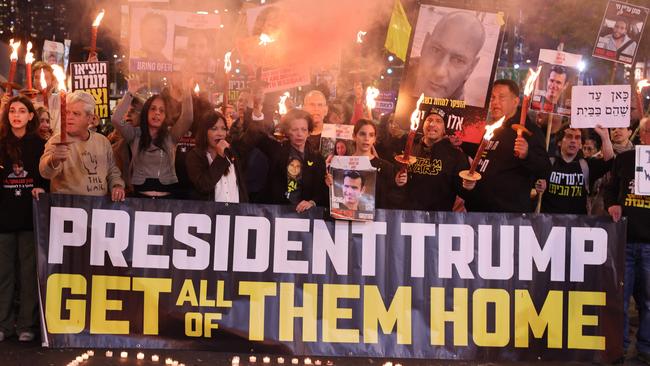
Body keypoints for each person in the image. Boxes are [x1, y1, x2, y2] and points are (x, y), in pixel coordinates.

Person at [462, 79, 551, 213]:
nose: (495, 102)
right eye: (492, 97)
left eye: (501, 97)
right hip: (478, 210)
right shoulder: (490, 128)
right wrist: (461, 143)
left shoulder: (529, 131)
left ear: (515, 101)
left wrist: (527, 155)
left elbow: (545, 168)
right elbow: (480, 153)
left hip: (508, 214)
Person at [0, 96, 47, 342]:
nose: (16, 115)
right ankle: (3, 324)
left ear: (31, 116)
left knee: (28, 273)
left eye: (22, 111)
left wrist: (42, 188)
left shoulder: (40, 145)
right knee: (3, 274)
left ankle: (27, 325)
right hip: (4, 220)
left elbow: (47, 177)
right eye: (12, 111)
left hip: (29, 219)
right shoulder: (1, 143)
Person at [606, 117, 650, 363]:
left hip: (649, 244)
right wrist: (612, 203)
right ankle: (619, 347)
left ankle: (645, 348)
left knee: (648, 301)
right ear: (642, 134)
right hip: (626, 240)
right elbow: (610, 188)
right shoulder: (624, 160)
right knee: (620, 301)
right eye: (649, 132)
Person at [111, 76, 193, 198]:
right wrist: (131, 92)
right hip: (140, 200)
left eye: (161, 110)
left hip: (167, 202)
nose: (157, 113)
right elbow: (116, 119)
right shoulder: (134, 134)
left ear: (165, 116)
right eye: (153, 109)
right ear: (146, 112)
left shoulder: (171, 135)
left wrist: (187, 90)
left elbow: (187, 118)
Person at [39, 91, 125, 200]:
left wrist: (117, 185)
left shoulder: (102, 141)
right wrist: (54, 159)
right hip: (68, 208)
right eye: (67, 112)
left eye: (76, 113)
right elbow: (45, 173)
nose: (69, 117)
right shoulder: (56, 141)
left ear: (90, 118)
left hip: (98, 208)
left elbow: (112, 170)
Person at [239, 109, 327, 212]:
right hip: (276, 213)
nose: (299, 134)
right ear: (287, 131)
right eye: (295, 129)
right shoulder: (276, 150)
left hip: (304, 215)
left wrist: (312, 202)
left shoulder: (317, 158)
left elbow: (321, 189)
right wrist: (257, 108)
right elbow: (255, 132)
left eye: (304, 129)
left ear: (309, 132)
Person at [399, 107, 474, 211]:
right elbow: (397, 183)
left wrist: (469, 187)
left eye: (438, 121)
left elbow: (464, 192)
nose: (432, 124)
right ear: (423, 124)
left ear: (444, 129)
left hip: (438, 219)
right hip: (409, 217)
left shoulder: (456, 156)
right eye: (429, 120)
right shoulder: (409, 149)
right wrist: (398, 180)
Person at [327, 119, 405, 209]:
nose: (366, 138)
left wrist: (398, 184)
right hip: (344, 219)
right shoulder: (341, 164)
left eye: (371, 135)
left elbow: (395, 200)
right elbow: (331, 199)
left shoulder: (386, 167)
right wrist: (328, 185)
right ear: (354, 136)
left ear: (374, 139)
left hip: (377, 221)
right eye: (362, 134)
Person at [536, 126, 613, 214]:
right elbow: (534, 183)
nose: (573, 141)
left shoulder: (587, 166)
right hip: (550, 224)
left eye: (577, 138)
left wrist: (605, 137)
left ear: (581, 145)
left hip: (577, 225)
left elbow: (609, 161)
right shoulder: (547, 163)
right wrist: (538, 185)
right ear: (559, 142)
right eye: (569, 136)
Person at [413, 11, 486, 103]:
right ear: (424, 45)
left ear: (471, 68)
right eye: (436, 50)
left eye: (458, 60)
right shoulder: (399, 72)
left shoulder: (465, 114)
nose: (439, 72)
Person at [185, 109, 247, 202]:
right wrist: (220, 157)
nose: (220, 133)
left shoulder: (232, 153)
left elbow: (240, 187)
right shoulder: (195, 156)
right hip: (210, 214)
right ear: (204, 131)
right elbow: (203, 186)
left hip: (235, 213)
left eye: (223, 129)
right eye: (214, 129)